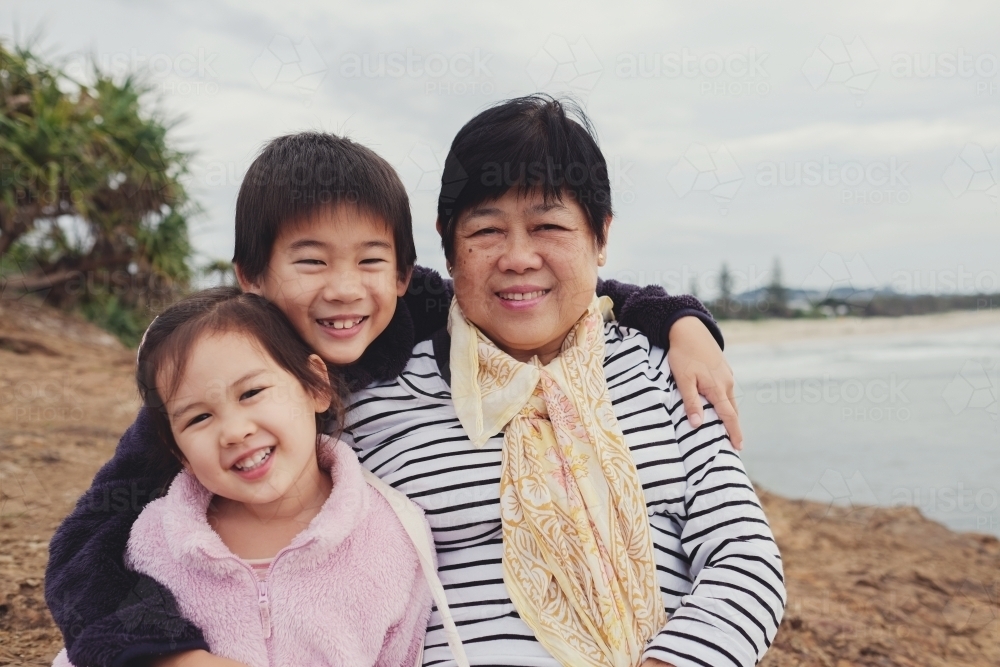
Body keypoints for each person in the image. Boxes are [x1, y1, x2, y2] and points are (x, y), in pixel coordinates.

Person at [45, 130, 740, 667]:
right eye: (310, 260)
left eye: (371, 261)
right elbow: (84, 546)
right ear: (251, 276)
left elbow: (560, 290)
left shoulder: (417, 313)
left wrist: (679, 319)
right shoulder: (221, 380)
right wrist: (170, 652)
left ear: (406, 273)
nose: (345, 289)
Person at [344, 96, 786, 667]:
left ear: (600, 236)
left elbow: (745, 557)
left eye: (548, 225)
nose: (518, 257)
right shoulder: (376, 398)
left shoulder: (664, 373)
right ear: (448, 245)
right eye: (486, 229)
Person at [52, 287, 433, 667]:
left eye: (251, 392)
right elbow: (91, 650)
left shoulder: (393, 537)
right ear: (177, 451)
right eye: (198, 417)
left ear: (315, 386)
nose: (234, 431)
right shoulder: (153, 540)